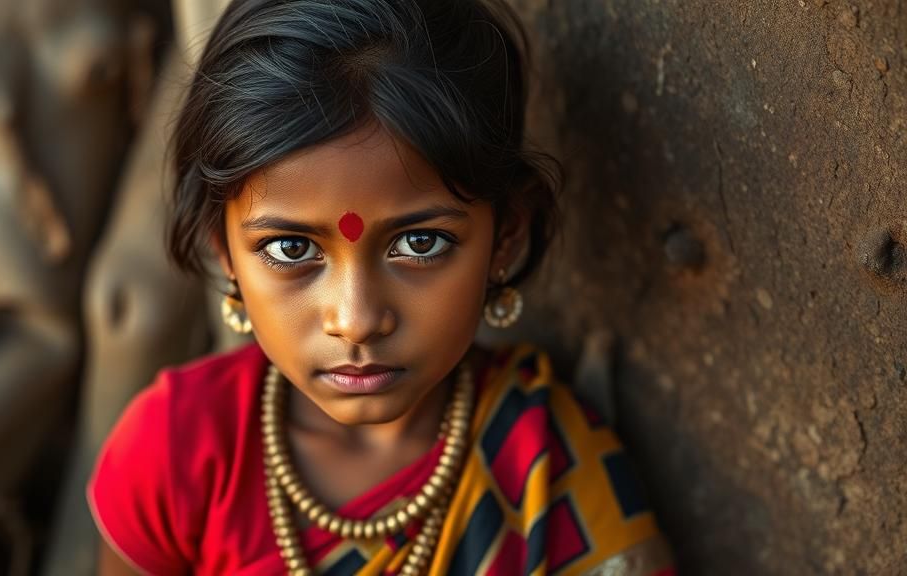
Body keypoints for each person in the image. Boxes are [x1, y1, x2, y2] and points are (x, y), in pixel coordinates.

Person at [87, 0, 676, 574]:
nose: (357, 318)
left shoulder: (545, 465)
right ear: (226, 252)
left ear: (506, 237)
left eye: (420, 244)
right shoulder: (177, 450)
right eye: (291, 249)